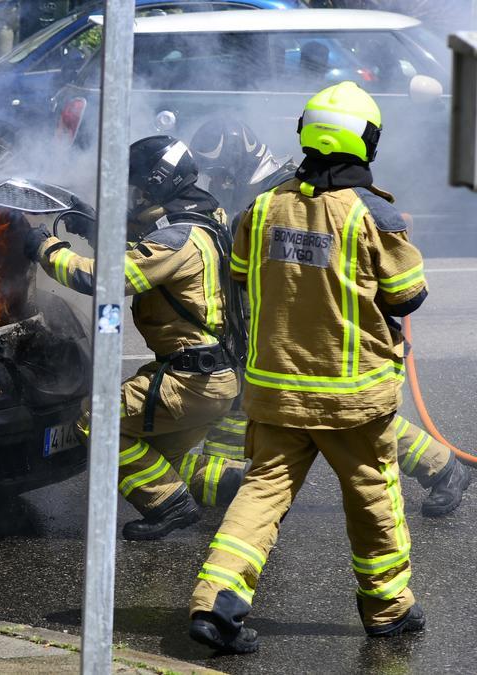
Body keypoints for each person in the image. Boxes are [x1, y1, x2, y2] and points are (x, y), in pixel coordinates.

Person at [188, 82, 429, 654]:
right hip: (352, 401)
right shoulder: (374, 212)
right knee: (373, 495)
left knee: (261, 494)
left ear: (305, 133)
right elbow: (407, 293)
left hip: (275, 391)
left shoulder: (264, 205)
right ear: (366, 141)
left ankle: (215, 604)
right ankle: (387, 609)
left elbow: (244, 273)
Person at [190, 115, 472, 518]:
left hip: (315, 324)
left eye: (220, 173)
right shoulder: (257, 191)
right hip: (266, 326)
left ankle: (444, 469)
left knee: (348, 419)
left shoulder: (290, 189)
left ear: (238, 160)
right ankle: (223, 490)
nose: (216, 183)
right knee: (257, 408)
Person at [26, 136, 249, 541]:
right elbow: (144, 245)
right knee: (158, 460)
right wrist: (98, 229)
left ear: (157, 184)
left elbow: (100, 277)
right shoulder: (206, 215)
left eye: (137, 188)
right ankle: (199, 495)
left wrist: (45, 247)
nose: (132, 198)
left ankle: (171, 506)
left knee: (97, 422)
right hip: (218, 377)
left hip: (189, 381)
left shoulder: (176, 241)